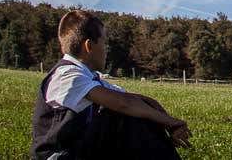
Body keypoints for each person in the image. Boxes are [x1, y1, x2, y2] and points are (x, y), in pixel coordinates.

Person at [31, 10, 192, 159]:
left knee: (138, 115)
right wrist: (170, 122)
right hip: (59, 156)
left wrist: (168, 123)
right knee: (127, 118)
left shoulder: (88, 77)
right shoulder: (66, 76)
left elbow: (137, 101)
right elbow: (124, 104)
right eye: (104, 43)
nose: (106, 50)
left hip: (79, 151)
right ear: (89, 46)